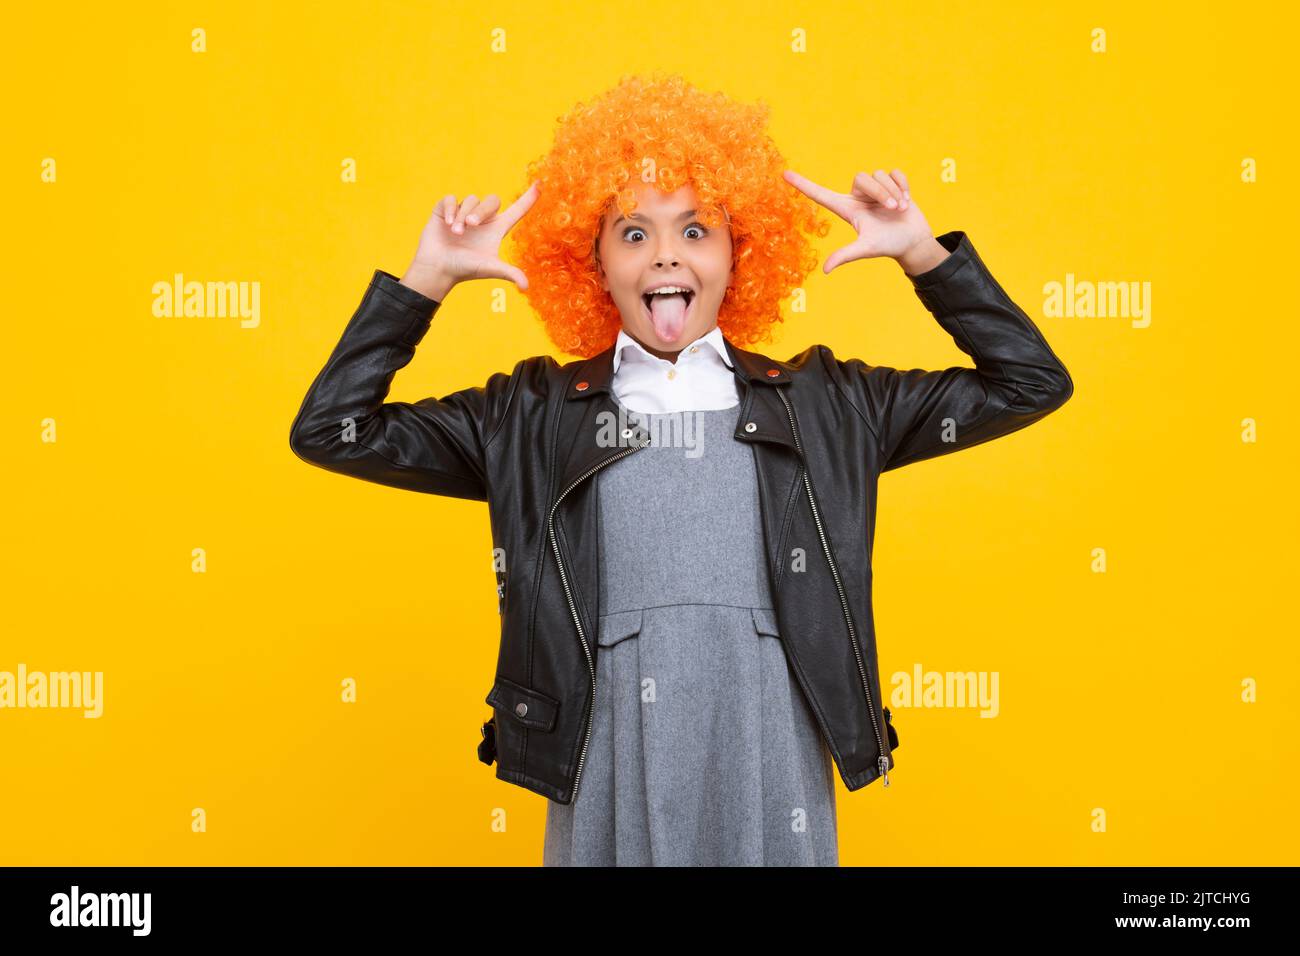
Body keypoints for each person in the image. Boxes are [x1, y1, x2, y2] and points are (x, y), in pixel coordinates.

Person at [289, 73, 1073, 866]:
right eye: (633, 233)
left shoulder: (830, 404)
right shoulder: (528, 416)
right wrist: (427, 282)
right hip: (603, 748)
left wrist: (924, 256)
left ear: (742, 254)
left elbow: (1030, 383)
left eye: (697, 231)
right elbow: (333, 430)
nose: (666, 253)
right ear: (592, 263)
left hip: (772, 739)